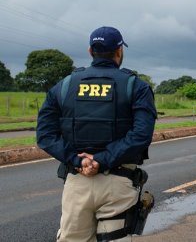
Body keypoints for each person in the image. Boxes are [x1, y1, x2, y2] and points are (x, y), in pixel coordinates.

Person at [36, 26, 157, 242]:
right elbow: (141, 134)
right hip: (119, 184)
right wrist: (101, 160)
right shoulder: (136, 87)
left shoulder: (64, 86)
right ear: (119, 51)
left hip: (76, 181)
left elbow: (45, 135)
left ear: (90, 51)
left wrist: (78, 160)